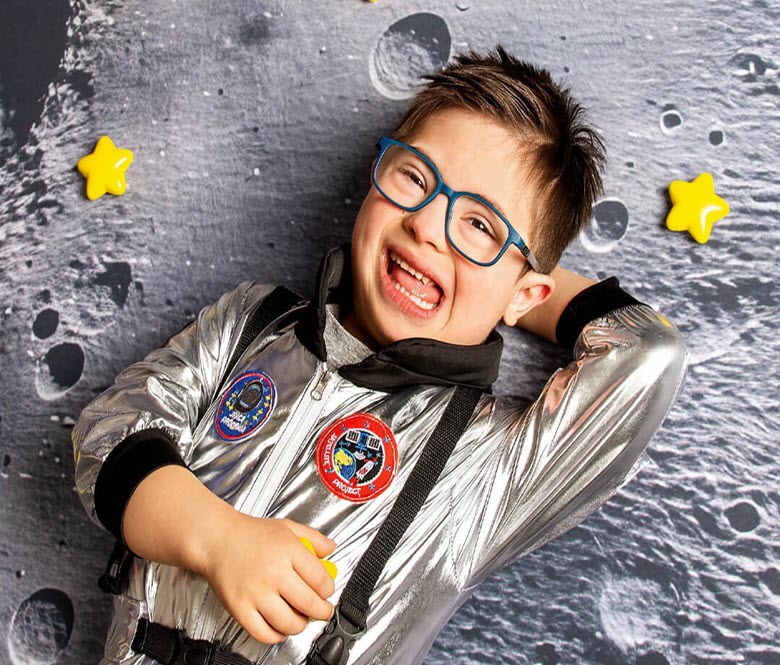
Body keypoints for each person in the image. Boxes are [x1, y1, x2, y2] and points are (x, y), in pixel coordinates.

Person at [72, 46, 688, 665]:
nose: (427, 226)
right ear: (377, 171)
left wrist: (505, 287)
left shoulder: (490, 465)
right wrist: (217, 540)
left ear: (529, 293)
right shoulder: (252, 322)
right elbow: (112, 435)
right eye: (416, 179)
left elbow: (649, 353)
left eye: (481, 225)